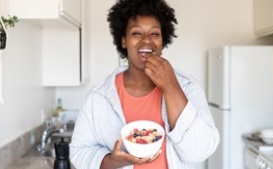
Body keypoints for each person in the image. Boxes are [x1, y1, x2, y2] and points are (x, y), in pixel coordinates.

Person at [70, 0, 220, 168]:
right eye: (136, 33)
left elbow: (201, 151)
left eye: (155, 34)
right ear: (124, 41)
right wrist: (112, 161)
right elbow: (79, 152)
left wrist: (171, 86)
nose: (147, 40)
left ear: (163, 40)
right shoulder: (99, 97)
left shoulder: (188, 87)